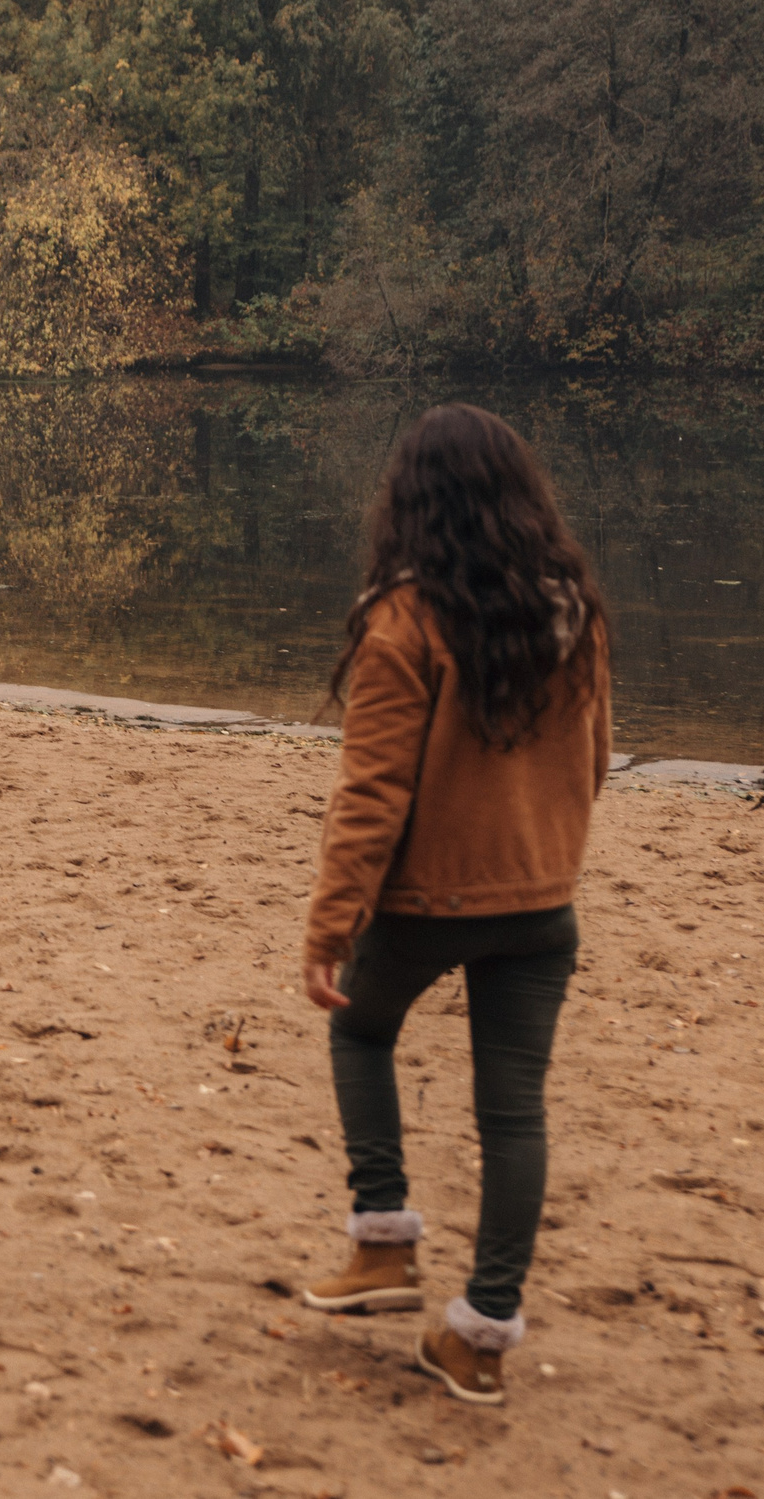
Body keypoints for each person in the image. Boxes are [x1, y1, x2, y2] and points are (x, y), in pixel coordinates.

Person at [295, 403, 612, 1410]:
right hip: (541, 901)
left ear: (410, 503)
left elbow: (371, 794)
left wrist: (329, 926)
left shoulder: (403, 619)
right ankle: (479, 1337)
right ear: (522, 497)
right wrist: (548, 857)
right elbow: (595, 759)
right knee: (513, 1113)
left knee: (358, 1030)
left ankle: (383, 1244)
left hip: (429, 899)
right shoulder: (572, 608)